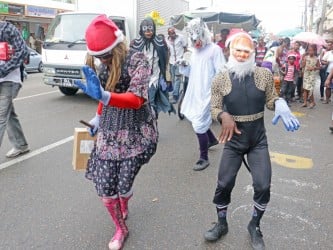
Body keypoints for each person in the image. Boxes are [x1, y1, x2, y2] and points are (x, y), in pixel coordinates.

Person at [204, 31, 300, 250]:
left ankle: (254, 225)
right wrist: (223, 116)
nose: (241, 55)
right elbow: (214, 108)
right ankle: (221, 223)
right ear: (230, 50)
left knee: (263, 184)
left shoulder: (263, 75)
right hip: (234, 141)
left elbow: (270, 100)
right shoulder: (220, 78)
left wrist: (280, 103)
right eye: (237, 50)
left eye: (246, 51)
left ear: (253, 53)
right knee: (224, 183)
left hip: (258, 140)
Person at [74, 15, 158, 250]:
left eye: (106, 55)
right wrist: (98, 116)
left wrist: (104, 96)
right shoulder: (103, 65)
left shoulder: (138, 60)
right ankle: (120, 227)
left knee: (124, 184)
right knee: (106, 187)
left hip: (135, 129)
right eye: (98, 56)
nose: (102, 60)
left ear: (118, 46)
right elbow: (105, 94)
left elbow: (137, 99)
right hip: (109, 129)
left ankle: (125, 202)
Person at [180, 18, 226, 171]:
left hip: (208, 93)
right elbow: (189, 73)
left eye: (198, 39)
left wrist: (218, 93)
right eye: (193, 40)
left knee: (199, 123)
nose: (196, 43)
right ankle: (212, 139)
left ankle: (203, 157)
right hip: (195, 92)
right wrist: (183, 65)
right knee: (194, 117)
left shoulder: (215, 50)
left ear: (204, 35)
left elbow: (222, 72)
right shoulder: (193, 52)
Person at [130, 17, 175, 116]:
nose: (148, 32)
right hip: (139, 80)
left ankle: (152, 121)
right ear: (142, 30)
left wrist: (167, 76)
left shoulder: (160, 42)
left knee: (151, 102)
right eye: (145, 30)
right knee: (140, 104)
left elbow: (166, 59)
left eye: (150, 29)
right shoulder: (136, 44)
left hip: (154, 78)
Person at [0, 20, 30, 158]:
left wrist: (2, 70)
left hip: (10, 80)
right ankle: (21, 144)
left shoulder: (8, 29)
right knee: (8, 114)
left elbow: (23, 51)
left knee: (1, 116)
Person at [166, 26, 187, 104]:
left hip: (179, 61)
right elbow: (168, 51)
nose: (173, 34)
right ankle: (175, 93)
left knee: (177, 78)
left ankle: (175, 96)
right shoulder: (167, 40)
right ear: (168, 34)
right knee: (173, 79)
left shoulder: (180, 37)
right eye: (171, 33)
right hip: (172, 62)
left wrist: (184, 58)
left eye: (173, 32)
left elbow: (185, 48)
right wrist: (167, 62)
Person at [301, 44, 320, 108]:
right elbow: (303, 66)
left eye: (312, 50)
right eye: (309, 50)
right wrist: (303, 59)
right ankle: (305, 102)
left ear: (315, 51)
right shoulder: (306, 57)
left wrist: (313, 68)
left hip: (312, 76)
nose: (310, 52)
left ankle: (313, 102)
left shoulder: (316, 59)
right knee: (305, 89)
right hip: (306, 74)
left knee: (310, 89)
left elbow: (319, 67)